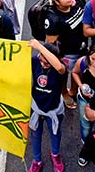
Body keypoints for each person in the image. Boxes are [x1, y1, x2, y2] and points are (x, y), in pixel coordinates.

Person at [28, 38, 67, 172]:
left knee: (55, 133)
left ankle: (55, 155)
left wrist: (39, 46)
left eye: (47, 63)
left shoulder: (60, 68)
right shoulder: (34, 61)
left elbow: (59, 67)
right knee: (35, 134)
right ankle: (37, 160)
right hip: (36, 107)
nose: (43, 64)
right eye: (41, 61)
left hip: (54, 109)